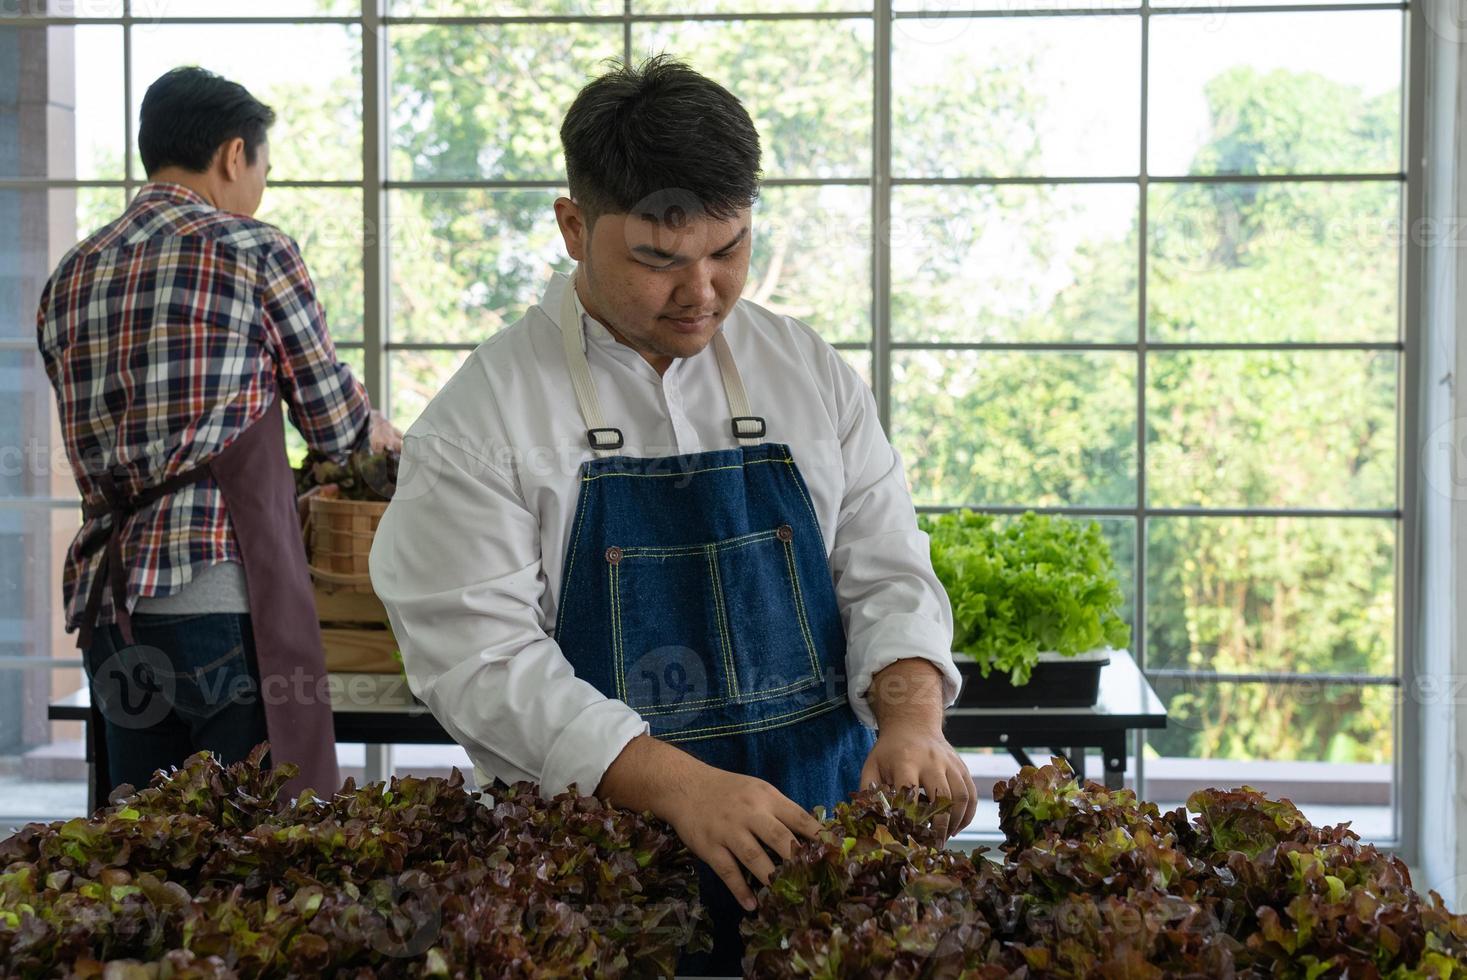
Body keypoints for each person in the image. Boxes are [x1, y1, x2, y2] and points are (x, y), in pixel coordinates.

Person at [368, 56, 975, 974]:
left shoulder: (805, 371)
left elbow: (884, 561)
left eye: (728, 250)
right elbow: (480, 661)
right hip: (601, 884)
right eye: (657, 259)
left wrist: (911, 718)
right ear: (573, 227)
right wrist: (678, 786)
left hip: (823, 852)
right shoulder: (481, 418)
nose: (701, 294)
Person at [36, 66, 400, 806]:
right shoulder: (253, 249)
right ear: (235, 155)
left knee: (142, 856)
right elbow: (335, 428)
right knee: (253, 861)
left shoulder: (72, 274)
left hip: (111, 614)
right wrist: (387, 439)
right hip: (222, 606)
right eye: (262, 168)